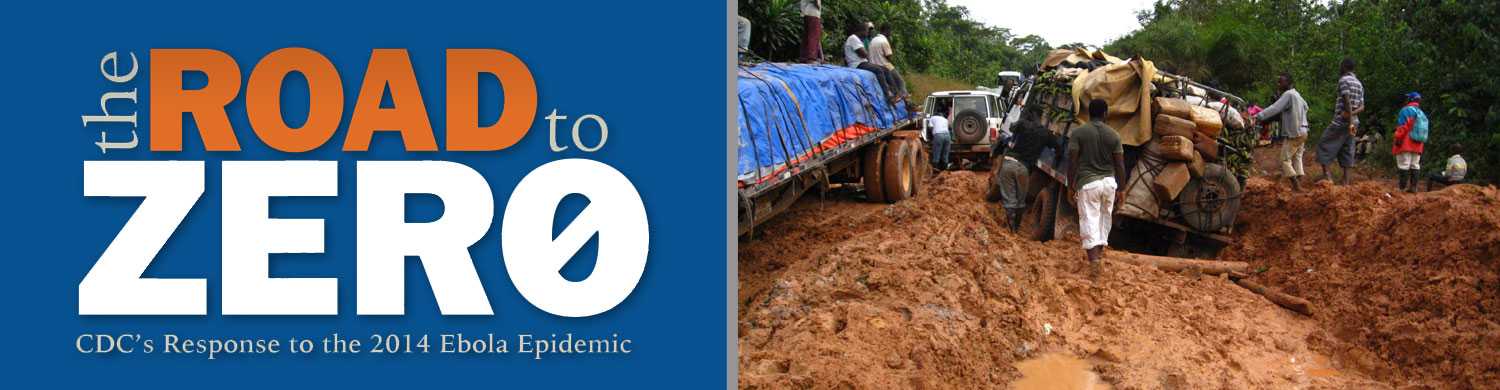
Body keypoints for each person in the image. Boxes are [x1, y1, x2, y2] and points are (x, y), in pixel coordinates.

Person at [1067, 99, 1126, 277]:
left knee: (1089, 221)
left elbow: (1072, 162)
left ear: (1089, 113)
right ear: (1105, 114)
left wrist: (1071, 186)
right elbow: (1120, 166)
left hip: (1088, 183)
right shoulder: (1114, 135)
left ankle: (1094, 263)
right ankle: (1097, 259)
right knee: (1103, 222)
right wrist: (1121, 190)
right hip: (1109, 184)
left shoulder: (1079, 133)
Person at [996, 107, 1060, 231]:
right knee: (1020, 201)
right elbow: (1057, 148)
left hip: (1010, 162)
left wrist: (1023, 118)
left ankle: (1012, 229)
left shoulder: (1023, 124)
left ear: (1030, 114)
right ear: (1041, 117)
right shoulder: (1045, 133)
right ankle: (1017, 227)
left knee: (1009, 200)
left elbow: (1011, 128)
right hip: (1024, 169)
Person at [1253, 72, 1310, 191]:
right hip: (1304, 130)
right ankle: (1299, 183)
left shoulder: (1288, 95)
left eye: (1281, 81)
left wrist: (1258, 116)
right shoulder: (1297, 94)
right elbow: (1306, 107)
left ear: (1288, 83)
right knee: (1297, 157)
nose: (1278, 84)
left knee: (1285, 159)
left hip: (1295, 132)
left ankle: (1296, 186)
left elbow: (1275, 108)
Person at [1315, 58, 1364, 185]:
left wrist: (1347, 114)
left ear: (1344, 67)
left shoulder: (1343, 80)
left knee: (1324, 144)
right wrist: (1352, 116)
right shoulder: (1359, 84)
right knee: (1348, 147)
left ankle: (1327, 177)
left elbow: (1346, 98)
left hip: (1341, 121)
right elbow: (1362, 106)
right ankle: (1346, 182)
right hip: (1354, 123)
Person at [843, 22, 901, 105]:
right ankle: (887, 95)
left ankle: (895, 93)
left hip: (861, 62)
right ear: (861, 31)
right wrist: (866, 53)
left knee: (885, 70)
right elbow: (863, 54)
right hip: (857, 64)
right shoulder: (853, 38)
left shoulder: (857, 40)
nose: (867, 33)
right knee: (878, 70)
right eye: (866, 31)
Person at [1392, 92, 1428, 193]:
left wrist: (1398, 138)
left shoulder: (1406, 110)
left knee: (1404, 164)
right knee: (1415, 164)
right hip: (1419, 143)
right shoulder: (1421, 112)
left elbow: (1403, 127)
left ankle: (1401, 188)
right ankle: (1413, 187)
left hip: (1406, 142)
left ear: (1410, 99)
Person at [867, 24, 908, 99]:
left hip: (873, 65)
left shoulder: (873, 40)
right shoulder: (884, 41)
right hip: (885, 65)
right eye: (890, 31)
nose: (891, 33)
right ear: (887, 31)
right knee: (900, 82)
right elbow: (889, 57)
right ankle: (905, 101)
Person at [928, 105, 952, 170]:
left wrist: (932, 135)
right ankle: (945, 168)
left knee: (937, 152)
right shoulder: (945, 119)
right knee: (945, 152)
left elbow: (930, 127)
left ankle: (935, 167)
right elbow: (949, 128)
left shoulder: (932, 118)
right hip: (947, 136)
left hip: (939, 135)